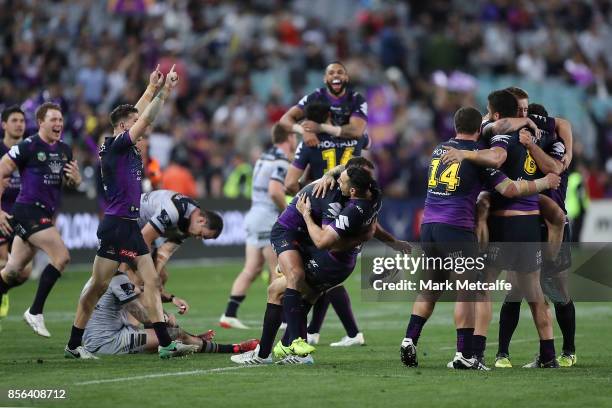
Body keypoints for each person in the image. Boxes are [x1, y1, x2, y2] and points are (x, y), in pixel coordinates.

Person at [399, 107, 560, 370]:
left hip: (428, 227)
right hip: (456, 230)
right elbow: (509, 188)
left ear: (455, 126)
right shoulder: (477, 157)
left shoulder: (440, 149)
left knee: (430, 288)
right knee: (469, 291)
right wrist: (544, 182)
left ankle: (409, 339)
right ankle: (464, 354)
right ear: (479, 130)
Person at [65, 65, 191, 359]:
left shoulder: (122, 142)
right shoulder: (115, 148)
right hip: (116, 226)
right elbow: (144, 116)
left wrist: (151, 88)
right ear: (124, 128)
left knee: (152, 281)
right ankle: (74, 344)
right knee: (98, 286)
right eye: (134, 124)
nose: (142, 128)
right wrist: (167, 91)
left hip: (130, 226)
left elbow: (138, 112)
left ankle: (165, 345)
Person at [443, 90, 564, 368]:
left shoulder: (501, 136)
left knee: (481, 287)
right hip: (530, 221)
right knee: (534, 293)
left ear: (496, 113)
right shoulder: (536, 136)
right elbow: (556, 161)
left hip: (505, 223)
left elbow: (497, 156)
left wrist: (466, 154)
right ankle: (548, 356)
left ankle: (476, 353)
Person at [231, 166, 381, 365]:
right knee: (288, 287)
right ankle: (274, 351)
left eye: (342, 180)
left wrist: (307, 214)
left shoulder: (343, 205)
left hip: (321, 251)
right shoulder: (374, 194)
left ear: (354, 189)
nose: (337, 181)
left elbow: (323, 241)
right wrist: (328, 174)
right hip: (303, 241)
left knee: (288, 283)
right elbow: (368, 229)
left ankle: (292, 347)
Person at [284, 99, 370, 346]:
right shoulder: (357, 138)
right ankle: (318, 331)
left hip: (323, 211)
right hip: (355, 208)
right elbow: (366, 150)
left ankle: (309, 334)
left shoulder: (310, 143)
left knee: (318, 272)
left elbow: (290, 184)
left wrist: (309, 193)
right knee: (329, 274)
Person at [0, 102, 81, 338]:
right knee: (61, 257)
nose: (58, 124)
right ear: (40, 123)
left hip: (45, 213)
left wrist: (75, 181)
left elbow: (69, 183)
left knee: (13, 272)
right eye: (53, 120)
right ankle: (35, 311)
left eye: (60, 120)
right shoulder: (28, 146)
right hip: (28, 212)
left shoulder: (65, 150)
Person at [220, 124, 296, 329]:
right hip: (266, 217)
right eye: (294, 137)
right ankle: (280, 318)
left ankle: (229, 314)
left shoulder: (264, 156)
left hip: (253, 215)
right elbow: (274, 191)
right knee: (277, 269)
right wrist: (287, 212)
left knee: (251, 268)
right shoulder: (281, 160)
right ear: (289, 138)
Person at [82, 269, 258, 356]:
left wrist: (172, 298)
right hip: (108, 342)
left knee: (172, 331)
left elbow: (139, 290)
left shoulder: (104, 275)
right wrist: (165, 320)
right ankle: (235, 348)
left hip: (103, 336)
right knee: (174, 334)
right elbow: (140, 314)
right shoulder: (117, 279)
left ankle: (191, 338)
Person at [132, 188, 223, 312]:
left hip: (141, 230)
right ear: (201, 220)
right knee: (139, 279)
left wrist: (156, 277)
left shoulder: (190, 222)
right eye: (202, 234)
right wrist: (149, 277)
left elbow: (164, 252)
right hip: (126, 222)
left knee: (161, 276)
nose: (198, 238)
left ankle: (154, 319)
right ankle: (132, 320)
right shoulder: (174, 211)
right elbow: (145, 238)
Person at [0, 106, 26, 326]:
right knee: (2, 260)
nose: (19, 124)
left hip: (22, 217)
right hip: (0, 214)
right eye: (14, 120)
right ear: (4, 125)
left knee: (24, 271)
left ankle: (3, 289)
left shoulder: (29, 150)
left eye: (22, 121)